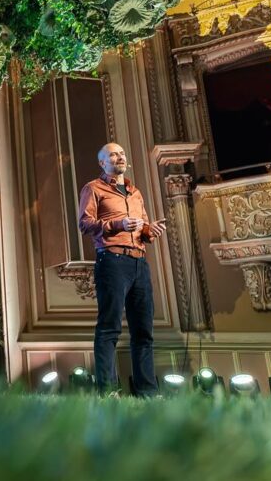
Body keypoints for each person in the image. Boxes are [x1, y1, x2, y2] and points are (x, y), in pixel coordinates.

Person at [78, 143, 166, 397]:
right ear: (102, 163)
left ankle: (147, 392)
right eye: (113, 155)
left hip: (139, 262)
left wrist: (150, 230)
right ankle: (107, 391)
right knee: (109, 327)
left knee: (143, 330)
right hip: (113, 262)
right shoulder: (93, 189)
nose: (120, 157)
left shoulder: (135, 192)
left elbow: (143, 228)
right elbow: (85, 224)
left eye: (122, 154)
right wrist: (118, 223)